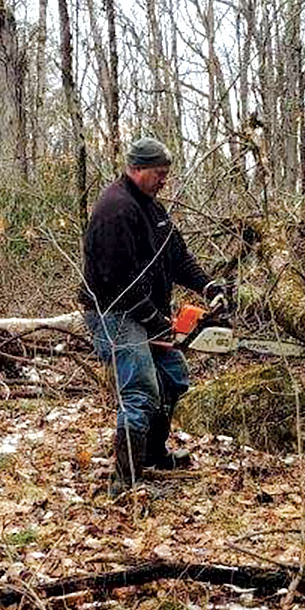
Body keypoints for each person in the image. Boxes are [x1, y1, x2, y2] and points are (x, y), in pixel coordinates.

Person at [80, 137, 227, 495]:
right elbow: (117, 281)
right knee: (141, 390)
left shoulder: (152, 208)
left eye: (166, 174)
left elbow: (176, 256)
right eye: (159, 173)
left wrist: (207, 286)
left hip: (144, 313)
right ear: (136, 169)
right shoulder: (115, 210)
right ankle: (125, 481)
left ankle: (152, 454)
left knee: (174, 379)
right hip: (115, 314)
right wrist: (153, 318)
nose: (164, 180)